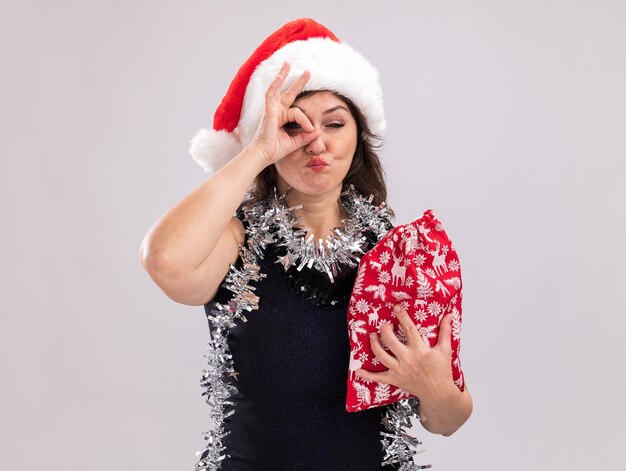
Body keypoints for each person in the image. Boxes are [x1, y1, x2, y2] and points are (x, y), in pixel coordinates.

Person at [139, 18, 472, 470]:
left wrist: (435, 390)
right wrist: (256, 151)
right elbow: (164, 260)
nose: (317, 143)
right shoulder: (236, 241)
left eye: (335, 123)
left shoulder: (396, 255)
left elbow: (450, 419)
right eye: (296, 127)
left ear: (358, 138)